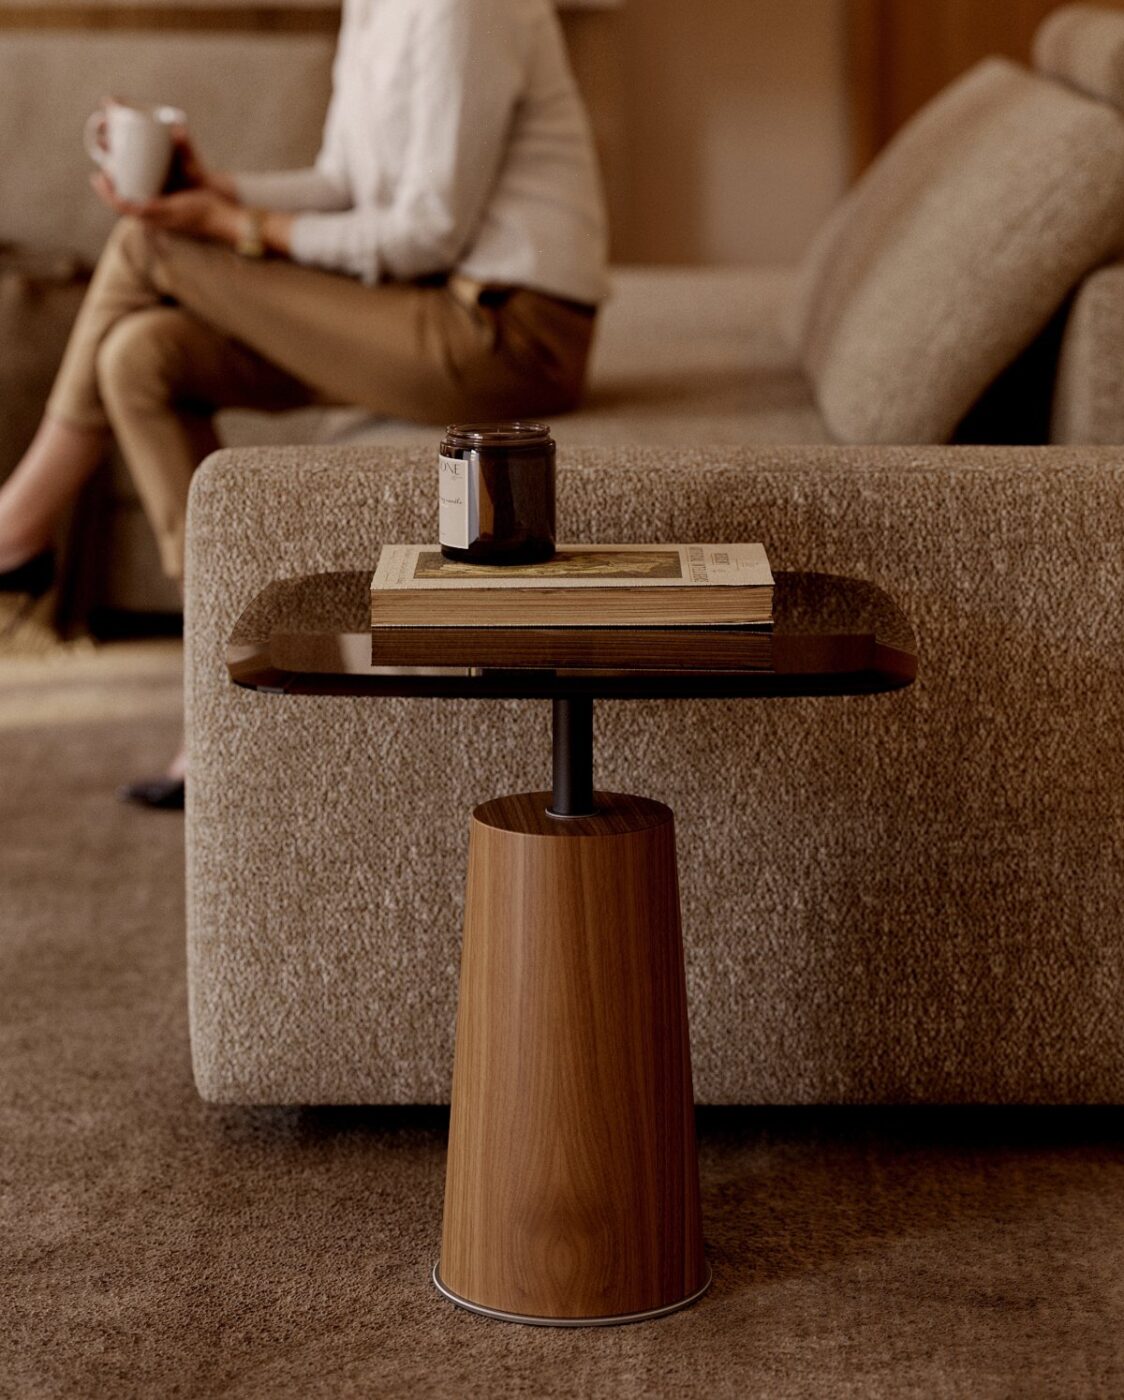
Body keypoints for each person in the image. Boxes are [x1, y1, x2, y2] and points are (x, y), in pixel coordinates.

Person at [0, 0, 608, 808]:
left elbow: (427, 230)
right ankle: (214, 706)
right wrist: (222, 192)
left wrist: (235, 225)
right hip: (415, 310)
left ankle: (17, 526)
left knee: (148, 244)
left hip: (502, 333)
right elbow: (345, 185)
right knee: (140, 356)